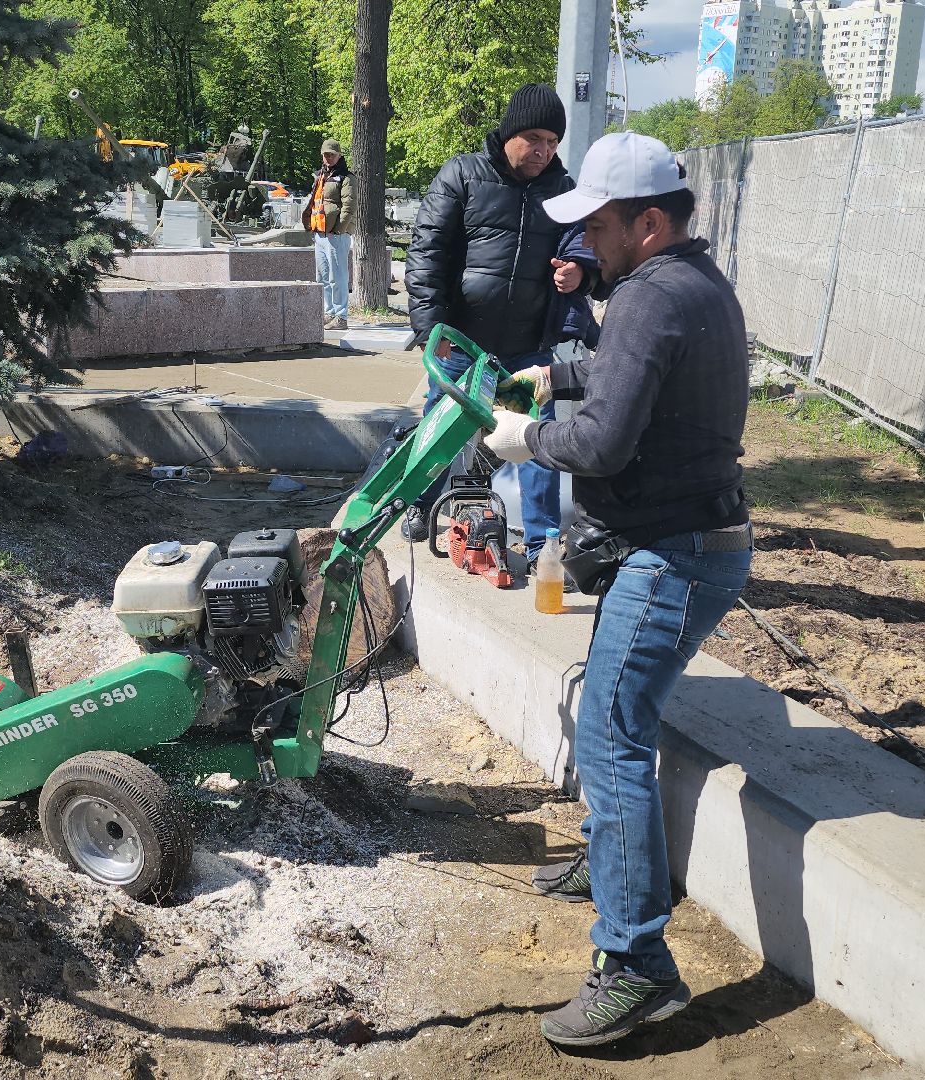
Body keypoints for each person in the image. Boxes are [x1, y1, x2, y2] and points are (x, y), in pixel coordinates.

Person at [481, 131, 752, 1047]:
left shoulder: (644, 298)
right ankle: (617, 871)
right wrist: (557, 372)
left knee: (610, 737)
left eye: (593, 226)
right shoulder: (692, 286)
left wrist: (527, 440)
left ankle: (636, 965)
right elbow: (632, 379)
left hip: (673, 553)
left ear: (645, 223)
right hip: (684, 541)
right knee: (612, 714)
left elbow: (599, 444)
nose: (579, 245)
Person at [401, 83, 601, 565]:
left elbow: (587, 245)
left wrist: (581, 272)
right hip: (461, 343)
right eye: (533, 137)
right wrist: (431, 330)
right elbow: (427, 253)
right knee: (439, 429)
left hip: (528, 344)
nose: (543, 150)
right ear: (510, 132)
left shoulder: (563, 191)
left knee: (537, 443)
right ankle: (420, 506)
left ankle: (541, 544)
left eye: (552, 141)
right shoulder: (463, 175)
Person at [303, 138, 356, 330]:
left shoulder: (347, 177)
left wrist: (338, 230)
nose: (328, 157)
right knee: (323, 276)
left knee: (338, 276)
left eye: (332, 154)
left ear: (339, 155)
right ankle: (329, 312)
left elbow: (349, 207)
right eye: (325, 154)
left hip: (336, 234)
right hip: (320, 232)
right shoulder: (320, 176)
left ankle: (341, 316)